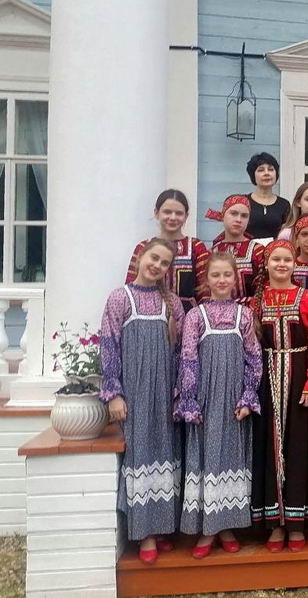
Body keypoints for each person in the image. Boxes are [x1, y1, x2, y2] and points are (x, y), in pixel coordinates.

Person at [100, 238, 186, 564]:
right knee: (141, 454)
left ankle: (162, 528)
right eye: (154, 258)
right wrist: (114, 393)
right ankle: (144, 533)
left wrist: (179, 392)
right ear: (140, 257)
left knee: (166, 453)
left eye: (164, 263)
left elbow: (181, 353)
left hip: (164, 391)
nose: (157, 265)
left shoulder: (172, 303)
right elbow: (109, 345)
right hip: (135, 392)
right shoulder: (120, 298)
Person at [175, 252, 262, 558]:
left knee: (231, 460)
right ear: (206, 280)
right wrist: (189, 400)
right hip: (206, 398)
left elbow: (253, 358)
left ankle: (226, 527)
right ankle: (208, 530)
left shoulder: (244, 316)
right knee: (207, 459)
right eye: (216, 275)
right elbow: (188, 358)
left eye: (227, 275)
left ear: (235, 279)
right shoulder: (196, 316)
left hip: (233, 400)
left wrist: (248, 396)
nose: (222, 280)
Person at [250, 240, 308, 552]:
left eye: (287, 260)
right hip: (266, 380)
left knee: (298, 447)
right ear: (266, 264)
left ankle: (296, 524)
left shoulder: (307, 299)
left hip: (299, 380)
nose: (281, 264)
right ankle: (274, 524)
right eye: (276, 259)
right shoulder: (255, 302)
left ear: (294, 264)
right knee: (269, 447)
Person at [126, 189, 210, 313]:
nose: (173, 217)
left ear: (186, 216)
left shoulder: (196, 247)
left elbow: (205, 291)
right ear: (156, 213)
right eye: (167, 212)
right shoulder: (143, 247)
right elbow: (131, 287)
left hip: (189, 317)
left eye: (179, 213)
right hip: (148, 315)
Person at [207, 194, 264, 302]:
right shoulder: (211, 253)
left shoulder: (258, 251)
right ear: (223, 215)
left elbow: (264, 287)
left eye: (244, 216)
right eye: (233, 213)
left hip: (250, 310)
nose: (238, 219)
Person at [245, 152, 291, 241]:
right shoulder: (244, 202)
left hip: (276, 249)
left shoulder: (284, 204)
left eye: (270, 169)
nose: (266, 173)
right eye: (261, 170)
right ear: (253, 175)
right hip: (247, 248)